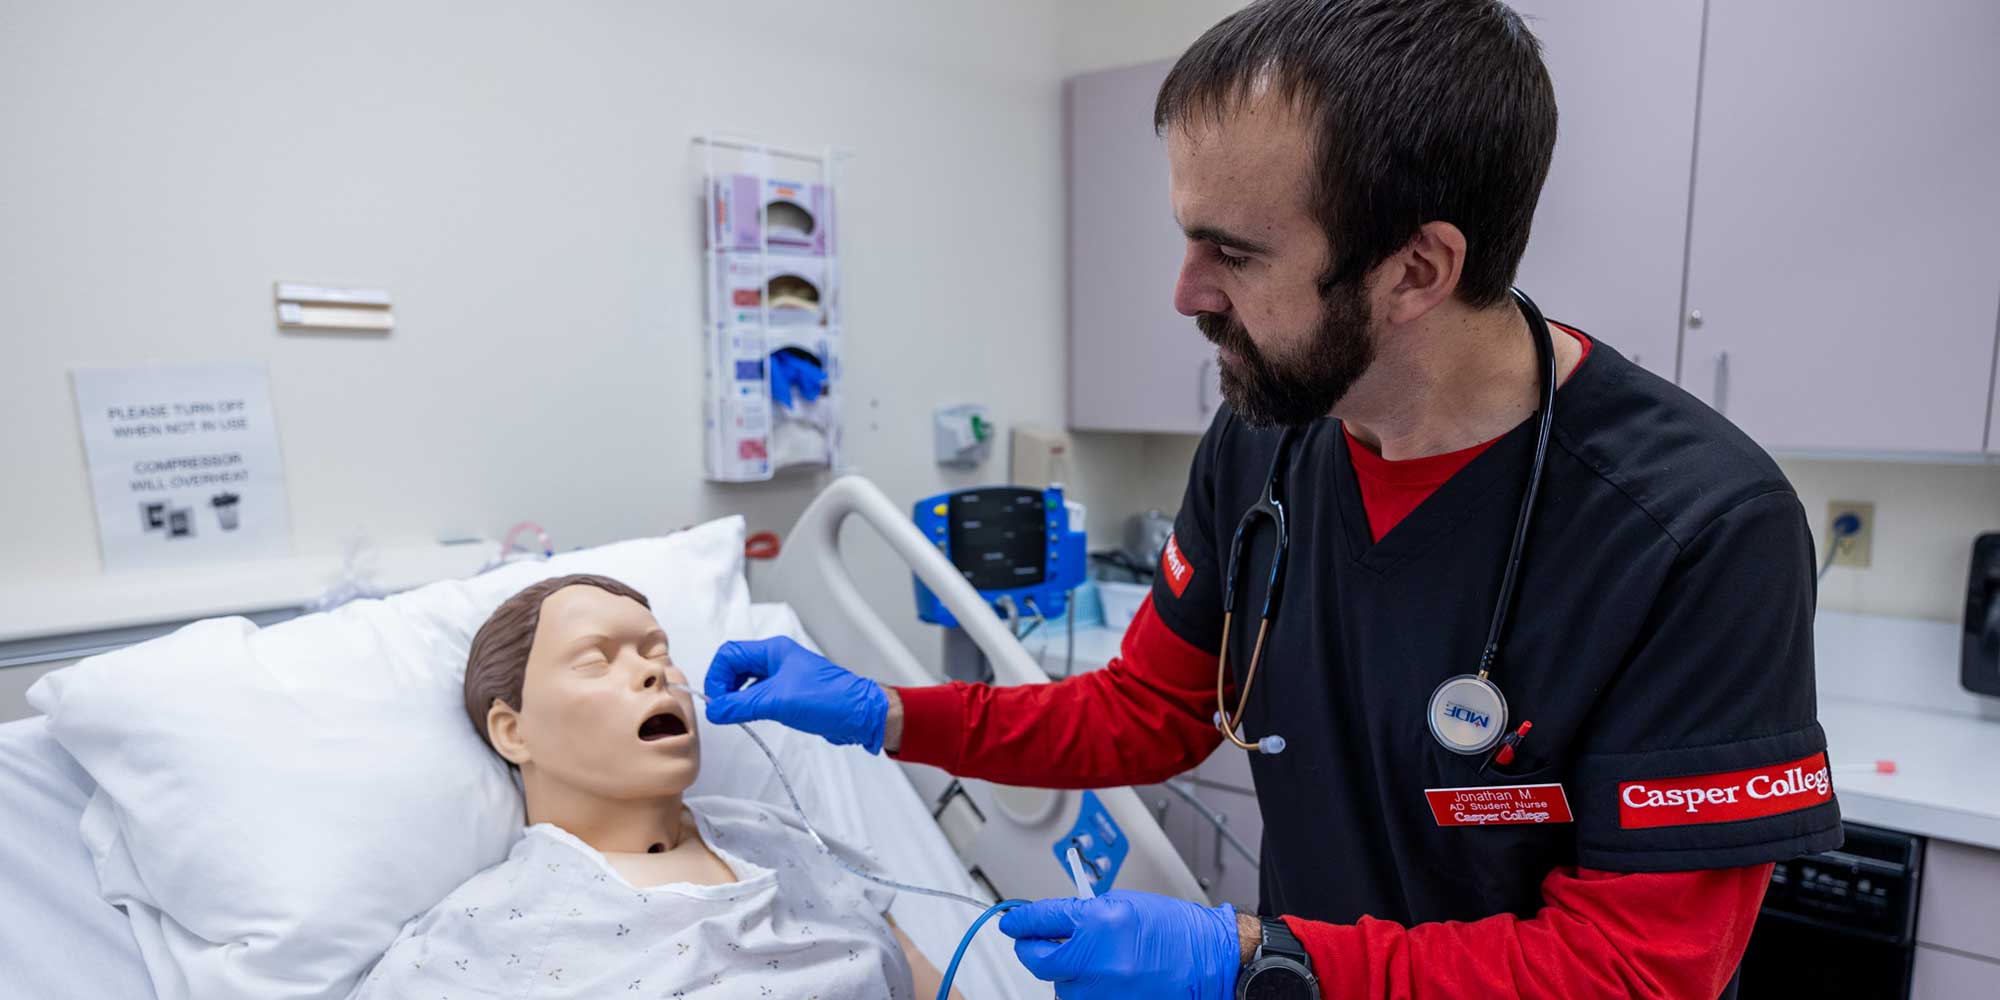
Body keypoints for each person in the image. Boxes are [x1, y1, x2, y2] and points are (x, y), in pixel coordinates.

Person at [703, 1, 1841, 997]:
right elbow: (1141, 712)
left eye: (1231, 253)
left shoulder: (1696, 531)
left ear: (1415, 270)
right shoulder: (1266, 435)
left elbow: (1631, 973)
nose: (1183, 293)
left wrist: (1245, 961)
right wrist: (891, 714)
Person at [351, 574, 962, 1000]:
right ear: (514, 732)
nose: (652, 671)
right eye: (595, 660)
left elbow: (907, 966)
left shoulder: (774, 836)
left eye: (658, 653)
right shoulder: (490, 929)